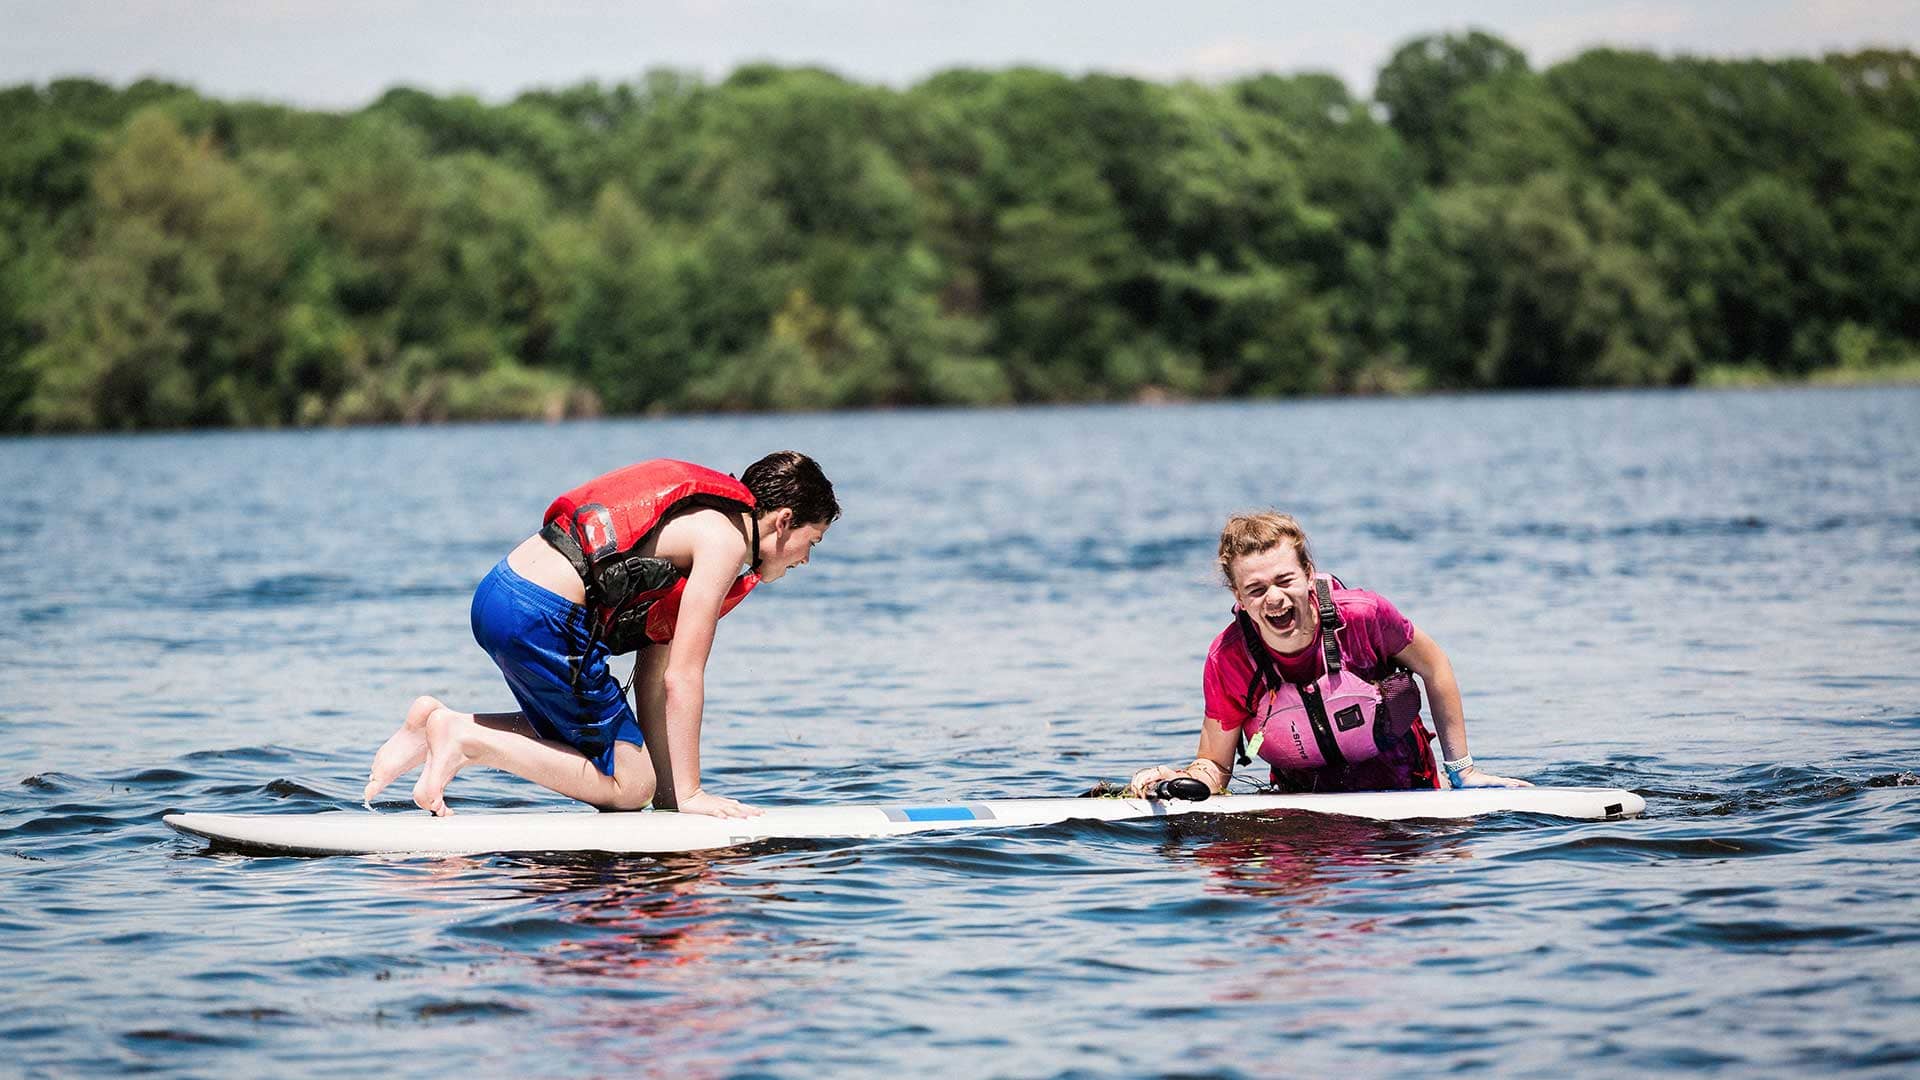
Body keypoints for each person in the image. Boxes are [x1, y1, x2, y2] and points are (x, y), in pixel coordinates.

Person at [363, 451, 839, 820]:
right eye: (810, 542)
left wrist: (673, 795)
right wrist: (693, 795)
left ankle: (434, 722)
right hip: (543, 614)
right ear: (783, 522)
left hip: (502, 594)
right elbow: (684, 678)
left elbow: (655, 677)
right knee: (630, 789)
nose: (805, 560)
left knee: (624, 766)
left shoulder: (697, 526)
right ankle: (462, 736)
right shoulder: (724, 541)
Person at [1129, 511, 1527, 797]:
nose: (1275, 598)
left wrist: (1462, 770)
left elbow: (1435, 665)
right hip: (1303, 803)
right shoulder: (1229, 659)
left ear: (1307, 572)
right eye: (1256, 589)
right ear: (1238, 597)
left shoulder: (1365, 616)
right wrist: (1181, 782)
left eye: (1285, 580)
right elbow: (1216, 764)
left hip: (1409, 789)